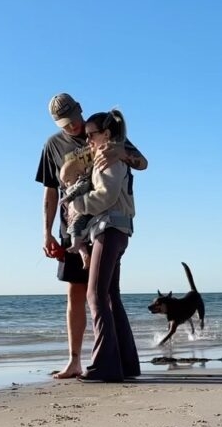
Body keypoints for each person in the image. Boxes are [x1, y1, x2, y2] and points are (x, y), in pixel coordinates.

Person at [35, 93, 147, 379]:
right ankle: (79, 361)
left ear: (80, 110)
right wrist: (47, 231)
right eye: (63, 123)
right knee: (81, 292)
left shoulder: (103, 131)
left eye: (72, 119)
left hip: (105, 223)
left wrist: (121, 153)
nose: (70, 127)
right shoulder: (53, 145)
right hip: (75, 227)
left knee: (101, 294)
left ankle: (109, 364)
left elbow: (142, 163)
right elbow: (50, 191)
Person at [70, 109, 140, 382]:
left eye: (91, 135)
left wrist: (77, 203)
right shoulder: (112, 155)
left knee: (95, 294)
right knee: (111, 296)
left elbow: (106, 196)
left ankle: (105, 365)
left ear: (106, 134)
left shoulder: (109, 158)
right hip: (117, 229)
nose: (87, 141)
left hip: (109, 229)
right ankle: (126, 363)